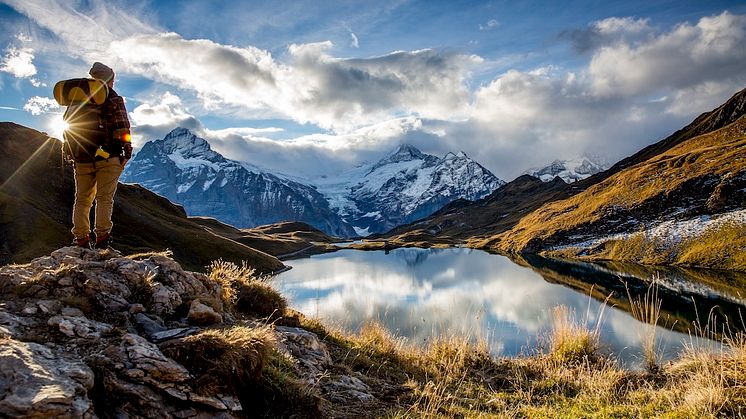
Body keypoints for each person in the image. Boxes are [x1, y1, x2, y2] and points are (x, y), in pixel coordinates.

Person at [66, 62, 132, 249]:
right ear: (109, 80)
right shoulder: (114, 98)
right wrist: (126, 152)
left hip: (82, 157)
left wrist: (71, 153)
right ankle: (102, 240)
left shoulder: (77, 99)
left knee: (82, 199)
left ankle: (81, 240)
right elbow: (123, 127)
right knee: (104, 198)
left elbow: (69, 127)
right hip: (108, 157)